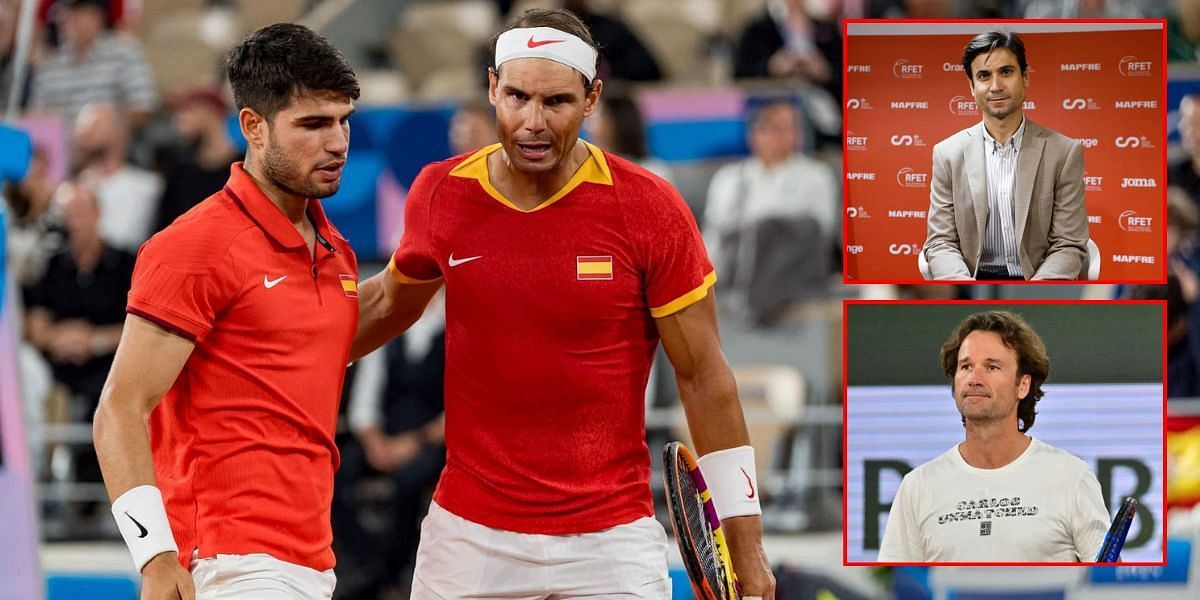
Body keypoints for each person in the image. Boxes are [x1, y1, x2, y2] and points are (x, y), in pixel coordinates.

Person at [354, 8, 774, 599]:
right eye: (517, 96)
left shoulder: (649, 206)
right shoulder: (440, 193)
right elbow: (387, 305)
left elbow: (705, 377)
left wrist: (746, 544)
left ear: (592, 98)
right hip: (468, 534)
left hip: (612, 539)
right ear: (492, 88)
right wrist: (266, 348)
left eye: (556, 102)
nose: (532, 122)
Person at [92, 23, 359, 599]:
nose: (337, 142)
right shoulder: (196, 246)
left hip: (310, 557)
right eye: (312, 124)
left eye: (343, 121)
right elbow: (118, 408)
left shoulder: (335, 249)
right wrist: (154, 556)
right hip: (224, 560)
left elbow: (328, 344)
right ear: (253, 127)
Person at [878, 311, 1110, 562]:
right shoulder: (917, 488)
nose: (974, 379)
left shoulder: (1072, 477)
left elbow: (1106, 583)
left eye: (991, 367)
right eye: (966, 366)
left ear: (1023, 385)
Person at [922, 30, 1089, 281]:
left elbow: (1068, 243)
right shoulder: (947, 154)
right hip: (971, 283)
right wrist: (962, 283)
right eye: (984, 76)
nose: (996, 86)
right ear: (972, 86)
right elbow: (941, 241)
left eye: (1006, 72)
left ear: (1025, 77)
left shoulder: (1063, 152)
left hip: (1038, 281)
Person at [30, 0, 156, 126]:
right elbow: (37, 115)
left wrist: (108, 121)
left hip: (112, 137)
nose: (75, 20)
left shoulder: (124, 53)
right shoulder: (51, 65)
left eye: (83, 13)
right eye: (70, 13)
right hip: (62, 140)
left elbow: (142, 107)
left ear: (99, 17)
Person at [71, 102, 162, 253]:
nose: (86, 130)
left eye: (97, 125)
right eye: (82, 126)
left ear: (120, 131)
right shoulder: (70, 191)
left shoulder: (147, 187)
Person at [152, 84, 239, 233]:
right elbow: (163, 225)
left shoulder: (244, 166)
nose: (177, 120)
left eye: (186, 111)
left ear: (208, 111)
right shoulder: (180, 168)